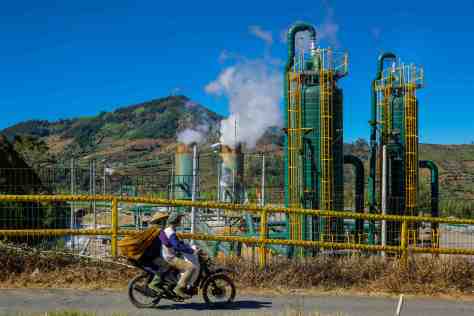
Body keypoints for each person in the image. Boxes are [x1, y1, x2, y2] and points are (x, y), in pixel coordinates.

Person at [159, 212, 200, 299]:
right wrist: (191, 251)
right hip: (171, 258)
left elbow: (178, 243)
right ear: (176, 220)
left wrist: (189, 247)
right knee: (191, 267)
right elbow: (177, 246)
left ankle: (183, 284)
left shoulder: (169, 230)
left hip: (167, 255)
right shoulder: (171, 232)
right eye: (180, 219)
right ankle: (179, 288)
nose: (181, 221)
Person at [138, 212, 171, 294]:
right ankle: (154, 285)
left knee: (158, 266)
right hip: (151, 256)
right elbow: (166, 242)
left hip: (145, 255)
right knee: (166, 266)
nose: (166, 222)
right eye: (164, 221)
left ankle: (146, 284)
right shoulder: (159, 230)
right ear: (161, 221)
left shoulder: (152, 229)